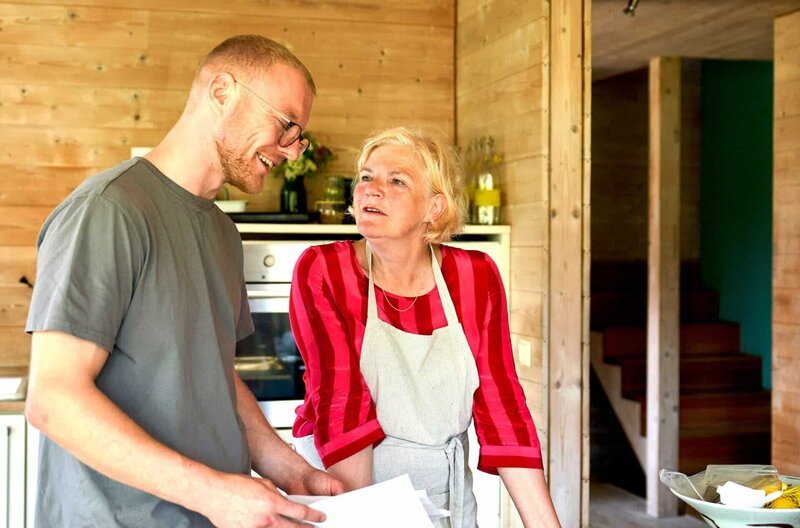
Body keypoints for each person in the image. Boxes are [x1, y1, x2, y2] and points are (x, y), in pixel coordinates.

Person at [24, 35, 343, 528]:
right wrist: (213, 494)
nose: (291, 152)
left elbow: (214, 375)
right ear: (221, 92)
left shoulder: (221, 232)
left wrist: (290, 470)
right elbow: (54, 400)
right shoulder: (109, 210)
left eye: (298, 136)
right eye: (286, 125)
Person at [289, 126, 562, 528]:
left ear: (434, 207)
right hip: (345, 493)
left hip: (444, 499)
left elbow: (501, 405)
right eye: (366, 177)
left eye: (396, 180)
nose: (371, 189)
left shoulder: (474, 276)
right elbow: (340, 400)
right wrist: (364, 519)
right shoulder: (325, 270)